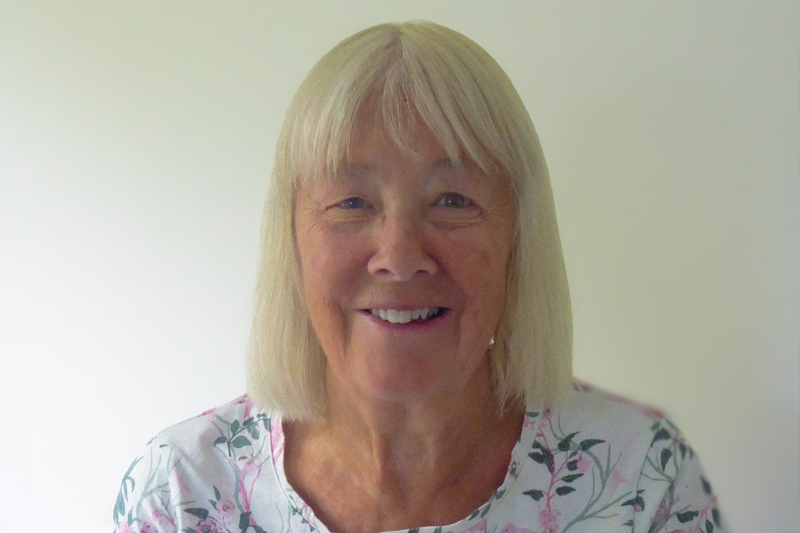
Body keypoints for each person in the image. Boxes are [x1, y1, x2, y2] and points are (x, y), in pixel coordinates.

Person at [110, 21, 725, 533]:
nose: (400, 258)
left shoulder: (642, 483)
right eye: (352, 203)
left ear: (518, 239)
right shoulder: (184, 495)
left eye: (453, 200)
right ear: (290, 238)